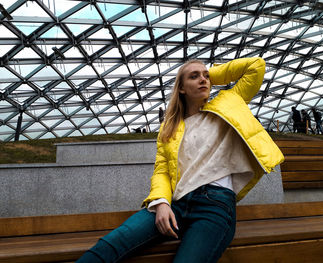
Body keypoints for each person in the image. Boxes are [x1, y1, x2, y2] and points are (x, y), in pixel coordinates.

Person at [76, 58, 284, 263]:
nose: (203, 79)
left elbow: (255, 66)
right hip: (176, 202)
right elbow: (162, 171)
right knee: (110, 245)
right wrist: (161, 203)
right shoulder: (170, 129)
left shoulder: (229, 103)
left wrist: (210, 75)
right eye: (194, 77)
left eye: (205, 76)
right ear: (181, 88)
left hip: (215, 205)